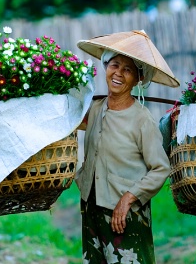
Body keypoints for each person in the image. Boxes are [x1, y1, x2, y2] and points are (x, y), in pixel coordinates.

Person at [75, 30, 180, 263]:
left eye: (128, 70)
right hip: (91, 209)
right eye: (114, 65)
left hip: (125, 215)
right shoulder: (94, 109)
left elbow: (160, 168)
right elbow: (68, 124)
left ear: (137, 79)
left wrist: (129, 198)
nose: (118, 74)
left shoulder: (142, 120)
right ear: (105, 67)